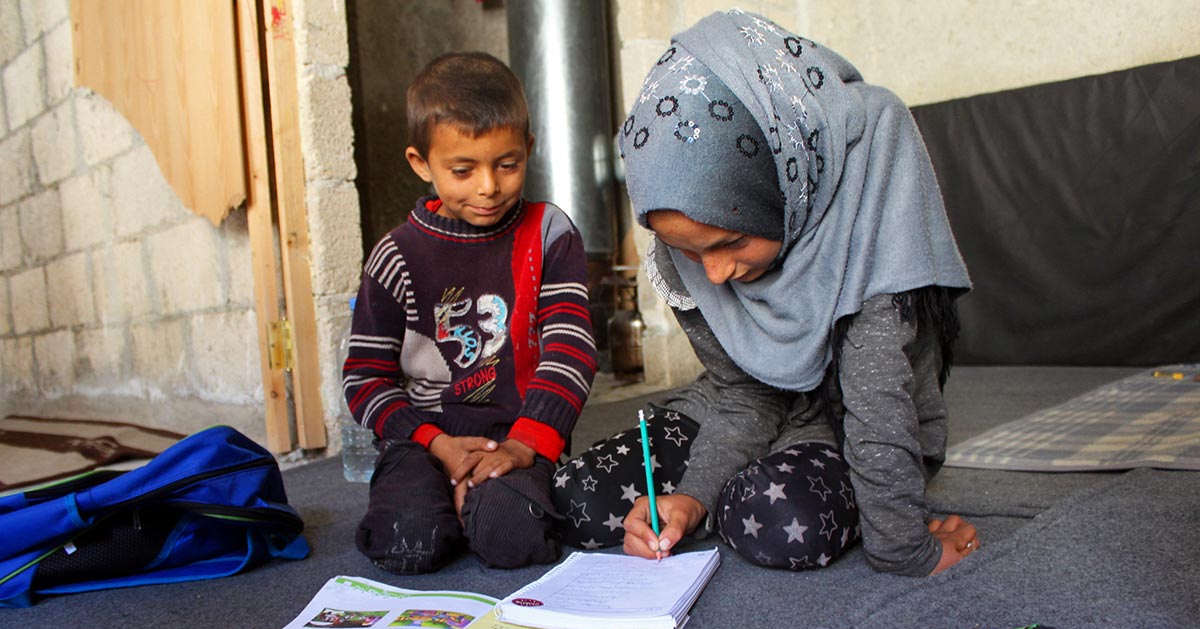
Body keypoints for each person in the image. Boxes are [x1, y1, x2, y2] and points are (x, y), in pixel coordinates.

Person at [552, 11, 977, 576]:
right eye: (690, 251)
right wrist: (692, 496)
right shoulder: (684, 236)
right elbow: (745, 393)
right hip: (743, 407)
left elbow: (875, 397)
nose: (718, 273)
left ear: (784, 184)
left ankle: (747, 490)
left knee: (776, 520)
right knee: (577, 496)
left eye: (731, 241)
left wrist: (905, 547)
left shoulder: (871, 171)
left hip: (849, 416)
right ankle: (728, 492)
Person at [345, 52, 597, 574]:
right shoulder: (395, 256)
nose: (488, 186)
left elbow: (571, 352)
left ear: (528, 148)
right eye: (462, 170)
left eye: (507, 164)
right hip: (422, 438)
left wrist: (525, 444)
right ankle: (443, 501)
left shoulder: (550, 233)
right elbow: (365, 379)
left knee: (513, 540)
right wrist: (436, 446)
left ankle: (481, 506)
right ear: (420, 163)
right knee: (406, 541)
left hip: (517, 436)